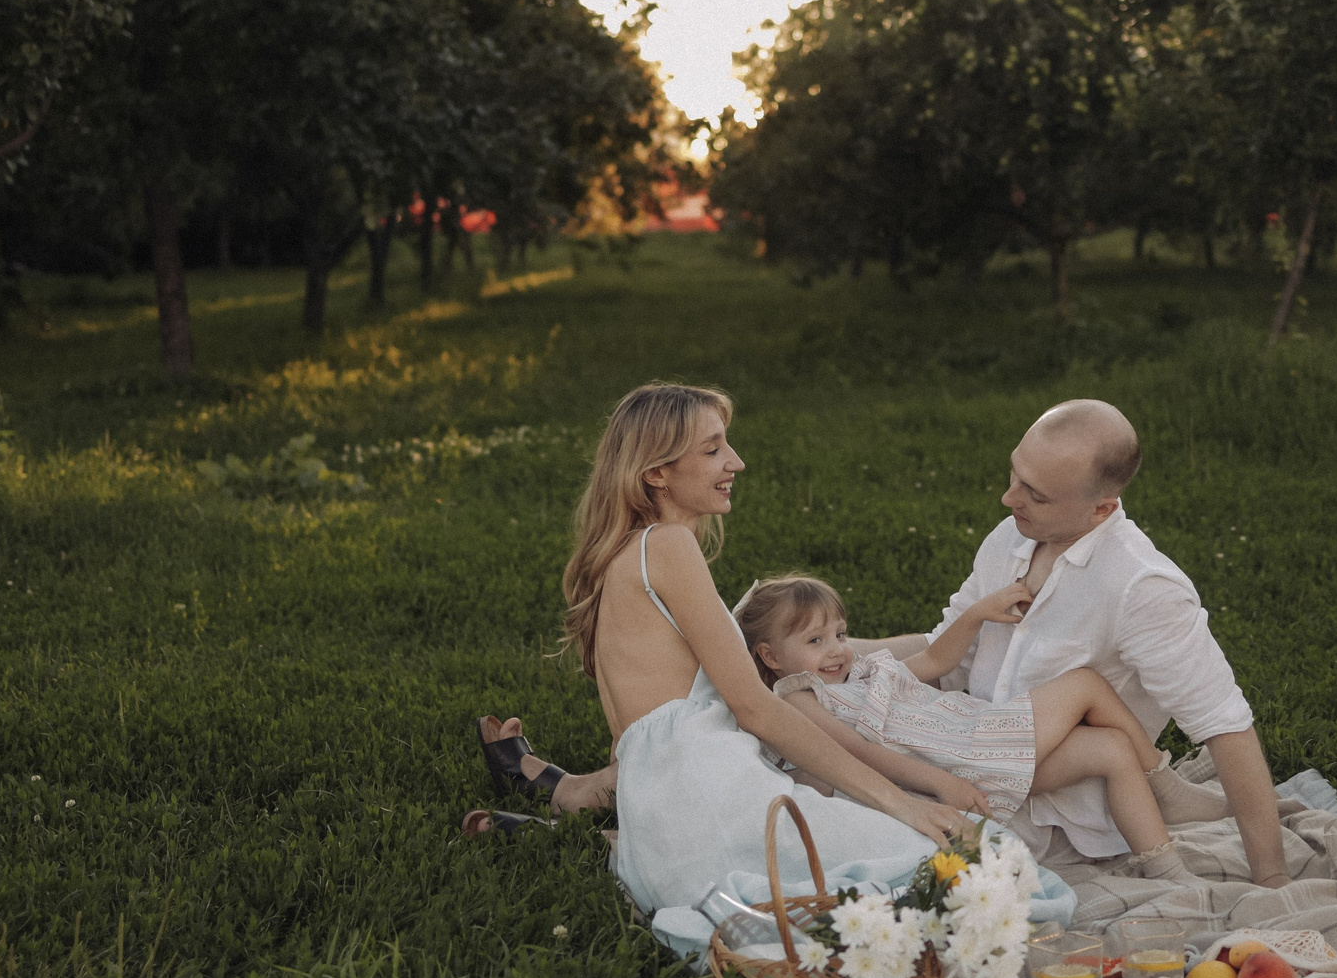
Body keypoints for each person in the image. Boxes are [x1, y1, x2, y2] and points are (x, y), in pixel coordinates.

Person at [535, 382, 964, 914]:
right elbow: (757, 707)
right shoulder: (667, 546)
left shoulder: (624, 560)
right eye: (712, 449)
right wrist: (900, 804)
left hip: (665, 838)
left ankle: (559, 812)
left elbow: (640, 740)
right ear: (656, 473)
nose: (734, 462)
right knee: (966, 863)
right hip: (715, 812)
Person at [891, 398, 1289, 884]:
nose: (1008, 498)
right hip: (971, 762)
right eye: (1014, 474)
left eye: (1035, 495)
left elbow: (1225, 725)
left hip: (1064, 818)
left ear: (1102, 508)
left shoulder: (1141, 588)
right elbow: (946, 650)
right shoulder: (1011, 536)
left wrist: (1271, 876)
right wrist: (834, 659)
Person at [735, 575, 1196, 881]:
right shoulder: (798, 699)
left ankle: (1167, 868)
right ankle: (1167, 785)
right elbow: (858, 751)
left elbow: (935, 659)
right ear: (771, 657)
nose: (836, 649)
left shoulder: (860, 675)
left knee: (1110, 749)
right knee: (1086, 686)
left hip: (974, 751)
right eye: (815, 641)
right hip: (959, 758)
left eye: (839, 634)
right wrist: (942, 781)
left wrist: (977, 613)